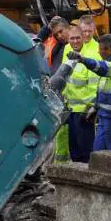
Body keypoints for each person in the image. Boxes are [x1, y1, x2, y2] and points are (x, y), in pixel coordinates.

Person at [67, 33, 111, 153]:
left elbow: (102, 68)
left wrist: (82, 59)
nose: (99, 53)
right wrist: (95, 107)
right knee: (97, 152)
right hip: (105, 115)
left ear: (108, 49)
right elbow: (103, 89)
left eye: (100, 50)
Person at [36, 17, 71, 162]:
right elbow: (36, 44)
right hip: (58, 98)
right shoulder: (56, 45)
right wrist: (46, 30)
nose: (60, 35)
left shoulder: (75, 46)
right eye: (56, 34)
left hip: (73, 102)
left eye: (61, 31)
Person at [62, 26, 98, 163]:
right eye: (72, 38)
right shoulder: (67, 50)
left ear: (82, 37)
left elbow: (94, 85)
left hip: (85, 112)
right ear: (68, 39)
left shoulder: (90, 56)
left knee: (86, 152)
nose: (75, 41)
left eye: (78, 38)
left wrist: (91, 107)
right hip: (71, 109)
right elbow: (65, 78)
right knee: (74, 150)